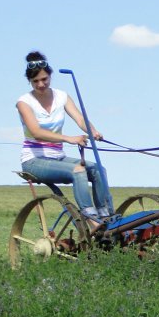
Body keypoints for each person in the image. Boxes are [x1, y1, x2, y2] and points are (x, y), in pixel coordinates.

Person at [16, 51, 110, 227]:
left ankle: (106, 216)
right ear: (29, 81)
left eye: (44, 79)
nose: (41, 84)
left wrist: (93, 131)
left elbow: (80, 119)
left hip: (58, 157)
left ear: (50, 75)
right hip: (34, 160)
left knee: (99, 170)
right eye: (35, 81)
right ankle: (91, 221)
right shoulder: (24, 102)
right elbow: (36, 132)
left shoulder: (62, 96)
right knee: (78, 170)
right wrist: (69, 138)